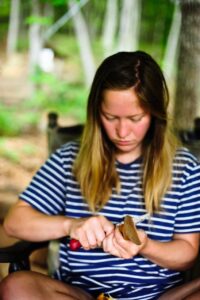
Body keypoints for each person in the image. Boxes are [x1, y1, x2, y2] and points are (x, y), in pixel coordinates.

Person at [0, 51, 200, 300]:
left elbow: (187, 252)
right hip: (80, 294)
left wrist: (146, 246)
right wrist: (71, 225)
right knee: (16, 286)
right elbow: (14, 222)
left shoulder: (184, 168)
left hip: (160, 297)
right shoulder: (69, 159)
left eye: (135, 118)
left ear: (155, 114)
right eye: (111, 117)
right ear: (97, 112)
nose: (122, 131)